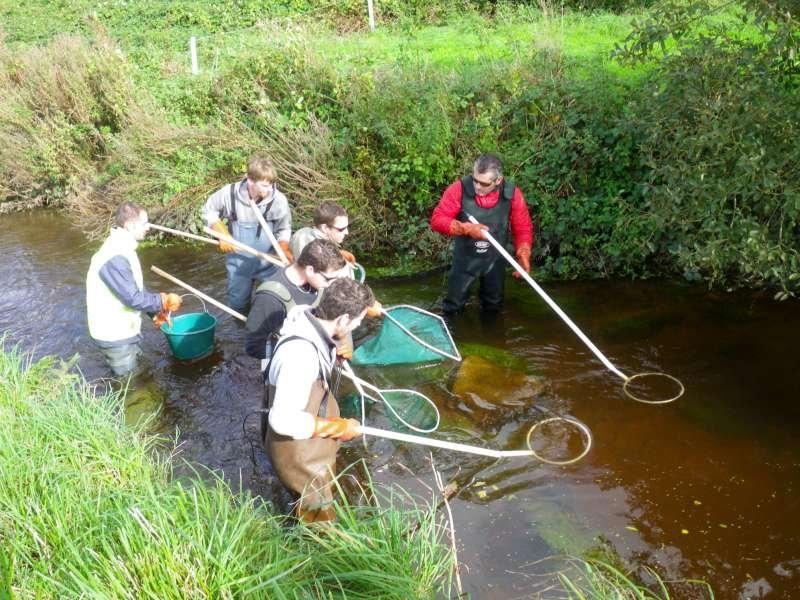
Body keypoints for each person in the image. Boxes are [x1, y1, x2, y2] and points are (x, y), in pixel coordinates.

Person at [263, 277, 375, 522]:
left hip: (309, 433)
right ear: (342, 319)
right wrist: (337, 427)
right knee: (318, 515)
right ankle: (318, 556)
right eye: (356, 323)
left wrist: (334, 353)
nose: (355, 328)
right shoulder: (300, 355)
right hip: (297, 449)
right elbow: (282, 421)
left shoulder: (310, 319)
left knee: (305, 502)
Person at [86, 202, 182, 376]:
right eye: (144, 223)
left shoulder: (123, 248)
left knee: (138, 375)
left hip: (123, 330)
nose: (148, 228)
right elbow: (132, 297)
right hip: (115, 334)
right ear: (130, 225)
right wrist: (163, 301)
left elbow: (134, 287)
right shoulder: (115, 255)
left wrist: (155, 313)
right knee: (132, 388)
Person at [430, 153, 533, 315]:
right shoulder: (458, 189)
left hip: (495, 260)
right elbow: (437, 220)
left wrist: (524, 253)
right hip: (465, 260)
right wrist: (466, 228)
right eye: (475, 180)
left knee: (493, 307)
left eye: (483, 184)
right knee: (453, 308)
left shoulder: (512, 194)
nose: (477, 187)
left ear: (498, 181)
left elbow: (523, 227)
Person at [203, 155, 293, 313]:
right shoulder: (229, 194)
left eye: (271, 184)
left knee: (276, 304)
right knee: (237, 306)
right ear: (250, 180)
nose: (269, 189)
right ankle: (241, 333)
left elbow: (284, 229)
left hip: (270, 264)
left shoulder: (278, 200)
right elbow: (208, 210)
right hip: (238, 264)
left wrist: (283, 248)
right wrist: (221, 233)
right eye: (264, 185)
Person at [245, 238, 348, 370]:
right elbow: (253, 347)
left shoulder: (316, 282)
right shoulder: (269, 299)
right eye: (329, 279)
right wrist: (300, 355)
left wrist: (340, 341)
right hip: (289, 364)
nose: (332, 284)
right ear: (310, 270)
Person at [289, 201, 357, 266]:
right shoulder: (314, 249)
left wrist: (339, 253)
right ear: (325, 228)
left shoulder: (305, 231)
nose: (347, 232)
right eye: (341, 229)